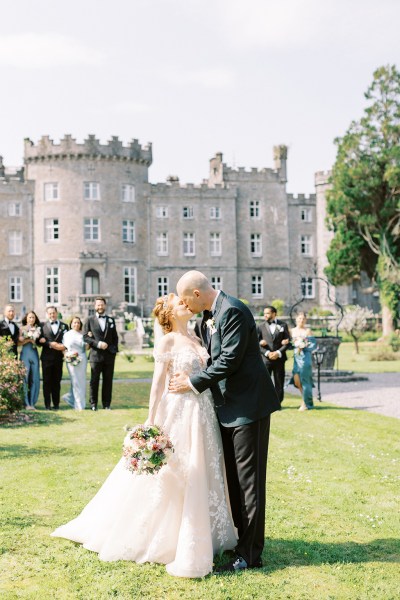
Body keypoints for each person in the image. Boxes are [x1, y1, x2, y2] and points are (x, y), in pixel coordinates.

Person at [51, 293, 237, 578]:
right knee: (174, 471)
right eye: (179, 303)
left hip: (203, 414)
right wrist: (151, 421)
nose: (186, 304)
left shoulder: (199, 338)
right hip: (178, 412)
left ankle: (205, 532)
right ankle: (165, 534)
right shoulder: (168, 341)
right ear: (169, 313)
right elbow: (157, 383)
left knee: (203, 468)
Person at [169, 271, 281, 572]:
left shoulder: (232, 310)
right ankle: (240, 541)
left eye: (184, 299)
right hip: (227, 409)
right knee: (233, 480)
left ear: (196, 293)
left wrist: (192, 382)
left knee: (249, 484)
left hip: (248, 407)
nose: (183, 305)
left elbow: (229, 360)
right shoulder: (208, 315)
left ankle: (250, 555)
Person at [83, 297, 119, 411]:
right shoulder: (89, 320)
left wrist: (113, 350)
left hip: (109, 356)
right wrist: (98, 344)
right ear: (95, 306)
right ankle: (93, 404)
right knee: (94, 380)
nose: (100, 307)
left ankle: (106, 404)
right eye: (98, 305)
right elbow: (85, 337)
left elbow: (115, 337)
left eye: (102, 305)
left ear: (105, 306)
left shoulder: (111, 320)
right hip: (95, 355)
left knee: (108, 380)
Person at [257, 305, 290, 405]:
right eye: (264, 313)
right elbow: (255, 343)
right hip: (266, 359)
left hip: (279, 359)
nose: (265, 315)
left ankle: (278, 403)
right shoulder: (260, 326)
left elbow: (288, 342)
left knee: (279, 382)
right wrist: (267, 353)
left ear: (274, 314)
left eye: (267, 313)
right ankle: (265, 403)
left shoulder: (283, 325)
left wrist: (278, 352)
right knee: (265, 382)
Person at [37, 306, 68, 410]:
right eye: (50, 313)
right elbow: (38, 341)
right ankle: (47, 405)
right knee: (47, 382)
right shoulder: (42, 326)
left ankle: (56, 404)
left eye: (53, 313)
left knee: (56, 382)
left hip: (59, 358)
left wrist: (63, 347)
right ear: (47, 314)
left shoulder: (64, 326)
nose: (52, 315)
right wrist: (49, 344)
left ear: (57, 313)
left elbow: (68, 341)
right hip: (46, 358)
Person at [290, 312, 317, 411]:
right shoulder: (291, 331)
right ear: (296, 319)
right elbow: (289, 344)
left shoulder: (308, 331)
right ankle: (305, 399)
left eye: (303, 319)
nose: (301, 320)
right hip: (296, 359)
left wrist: (304, 345)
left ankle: (306, 403)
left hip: (305, 358)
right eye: (299, 318)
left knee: (305, 381)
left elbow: (313, 345)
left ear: (305, 320)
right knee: (297, 381)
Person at [62, 316, 87, 411]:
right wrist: (68, 355)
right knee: (75, 381)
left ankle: (71, 399)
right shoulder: (67, 335)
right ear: (71, 324)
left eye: (78, 323)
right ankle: (78, 405)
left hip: (82, 358)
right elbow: (65, 348)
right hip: (71, 359)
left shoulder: (83, 335)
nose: (76, 324)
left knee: (82, 381)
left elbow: (86, 347)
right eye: (74, 322)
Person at [19, 311, 41, 409]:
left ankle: (32, 402)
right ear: (26, 318)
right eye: (30, 317)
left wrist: (36, 338)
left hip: (34, 353)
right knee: (25, 378)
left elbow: (39, 343)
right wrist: (28, 339)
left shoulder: (38, 329)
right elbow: (18, 343)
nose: (31, 319)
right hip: (25, 354)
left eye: (33, 317)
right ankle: (26, 403)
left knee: (34, 378)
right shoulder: (21, 328)